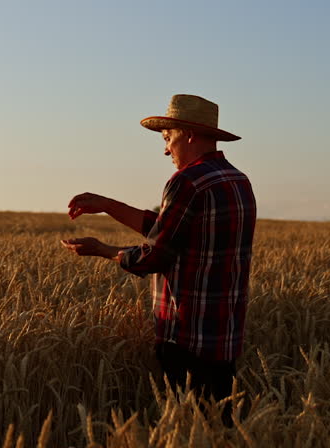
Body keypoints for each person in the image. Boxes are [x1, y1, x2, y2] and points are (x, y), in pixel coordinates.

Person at [61, 94, 256, 427]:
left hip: (185, 336)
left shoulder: (187, 181)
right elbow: (172, 230)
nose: (165, 149)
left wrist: (104, 250)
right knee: (223, 427)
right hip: (224, 334)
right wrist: (109, 204)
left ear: (188, 134)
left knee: (187, 426)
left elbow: (157, 254)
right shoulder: (236, 180)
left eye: (168, 138)